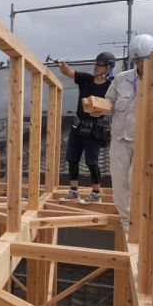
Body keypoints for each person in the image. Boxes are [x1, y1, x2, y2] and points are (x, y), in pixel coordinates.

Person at [105, 34, 153, 237]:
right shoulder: (122, 79)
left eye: (143, 59)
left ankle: (143, 222)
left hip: (145, 141)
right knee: (120, 183)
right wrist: (98, 107)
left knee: (137, 182)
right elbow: (109, 101)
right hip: (120, 138)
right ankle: (127, 224)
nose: (140, 64)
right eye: (136, 60)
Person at [59, 52, 115, 203]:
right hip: (78, 125)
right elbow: (68, 72)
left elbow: (112, 105)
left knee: (92, 161)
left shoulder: (110, 86)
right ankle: (73, 191)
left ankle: (96, 194)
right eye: (96, 64)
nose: (96, 67)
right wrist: (62, 64)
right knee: (72, 158)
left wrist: (99, 109)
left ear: (108, 68)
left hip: (94, 127)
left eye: (100, 65)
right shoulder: (86, 79)